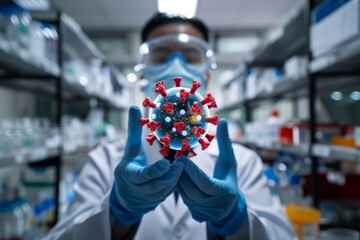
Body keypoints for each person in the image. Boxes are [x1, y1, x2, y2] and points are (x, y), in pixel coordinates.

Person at [45, 13, 297, 240]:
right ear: (143, 76)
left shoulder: (244, 163)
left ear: (206, 77)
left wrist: (236, 220)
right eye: (161, 56)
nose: (176, 66)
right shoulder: (105, 160)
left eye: (190, 56)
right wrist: (116, 213)